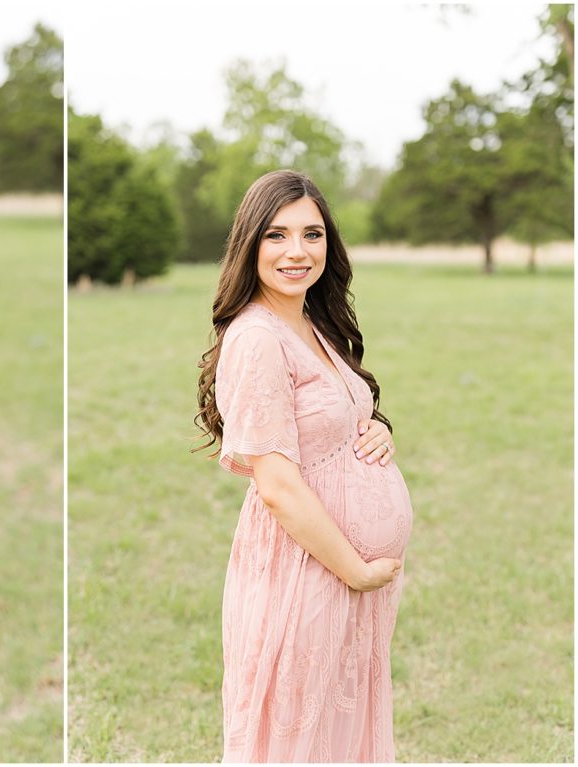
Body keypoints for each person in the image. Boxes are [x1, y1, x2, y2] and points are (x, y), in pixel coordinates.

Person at [195, 169, 413, 762]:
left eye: (312, 234)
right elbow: (278, 488)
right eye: (276, 235)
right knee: (297, 743)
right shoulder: (258, 337)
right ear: (249, 246)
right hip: (306, 577)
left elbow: (333, 416)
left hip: (339, 579)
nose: (298, 251)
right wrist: (357, 571)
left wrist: (373, 431)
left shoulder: (311, 323)